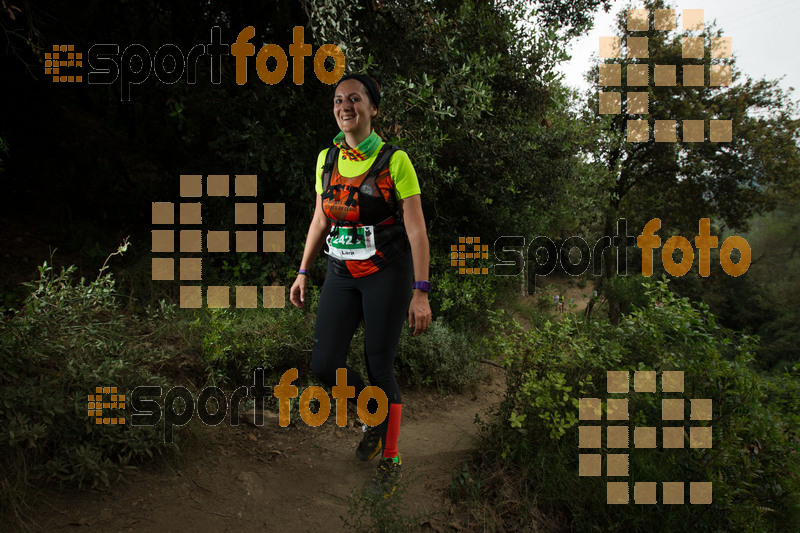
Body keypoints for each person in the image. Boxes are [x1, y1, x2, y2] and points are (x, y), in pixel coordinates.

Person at [289, 73, 432, 497]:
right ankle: (375, 414)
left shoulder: (395, 162)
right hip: (339, 272)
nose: (344, 106)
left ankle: (391, 457)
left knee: (379, 366)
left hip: (387, 274)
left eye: (354, 99)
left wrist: (420, 292)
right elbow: (320, 219)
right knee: (323, 365)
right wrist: (302, 271)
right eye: (338, 100)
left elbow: (418, 232)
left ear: (373, 108)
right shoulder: (326, 159)